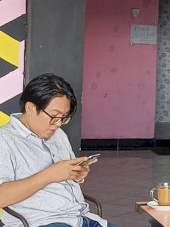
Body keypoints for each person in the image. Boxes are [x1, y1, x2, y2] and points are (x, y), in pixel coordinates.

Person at [0, 73, 114, 227]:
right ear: (30, 108)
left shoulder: (58, 135)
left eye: (64, 118)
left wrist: (76, 174)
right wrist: (49, 175)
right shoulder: (5, 140)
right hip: (42, 222)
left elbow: (63, 184)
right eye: (54, 116)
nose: (58, 124)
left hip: (81, 218)